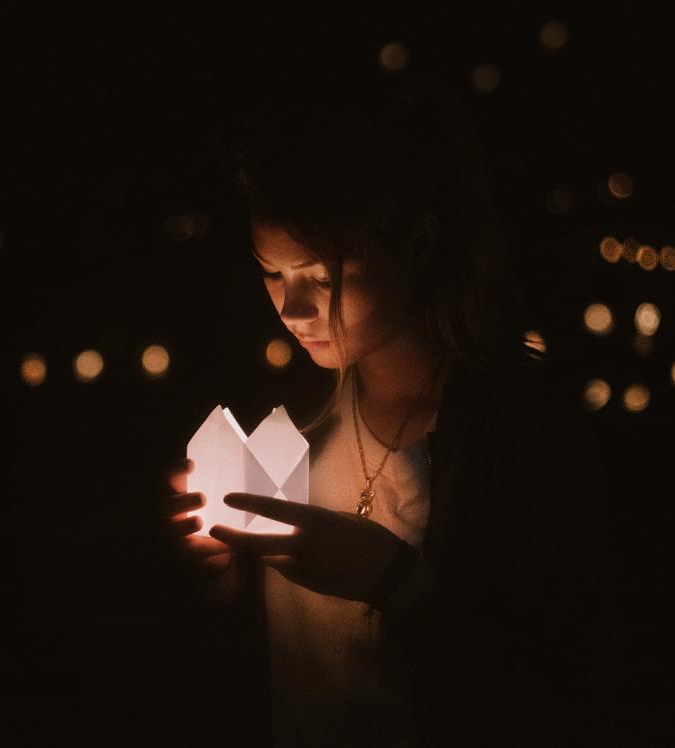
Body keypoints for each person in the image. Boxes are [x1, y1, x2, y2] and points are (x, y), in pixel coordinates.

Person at [160, 72, 619, 745]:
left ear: (418, 242)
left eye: (322, 275)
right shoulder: (284, 418)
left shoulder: (516, 432)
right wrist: (220, 577)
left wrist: (393, 583)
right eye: (272, 273)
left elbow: (558, 685)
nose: (293, 310)